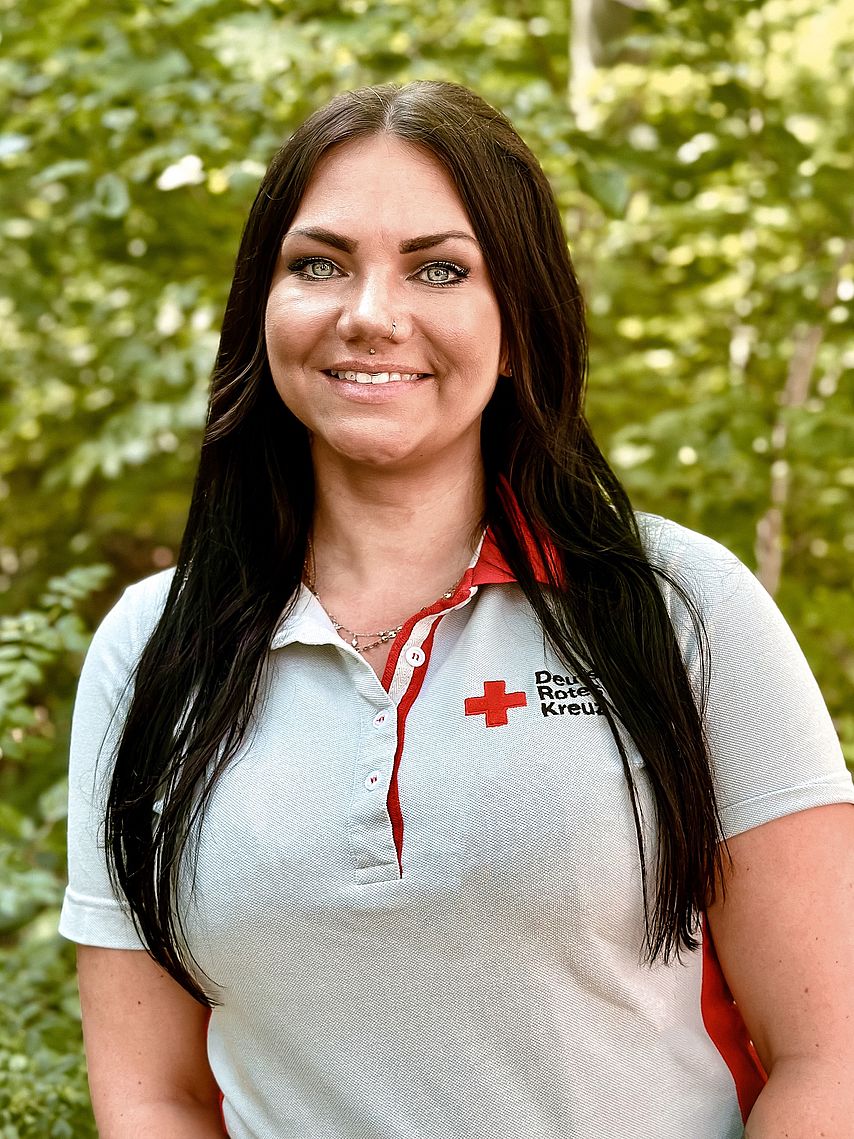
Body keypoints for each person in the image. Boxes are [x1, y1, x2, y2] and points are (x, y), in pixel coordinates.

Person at [59, 81, 854, 1139]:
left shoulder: (680, 609)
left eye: (439, 268)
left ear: (518, 322)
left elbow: (829, 1057)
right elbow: (154, 1092)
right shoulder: (152, 650)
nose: (368, 314)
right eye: (318, 264)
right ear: (261, 306)